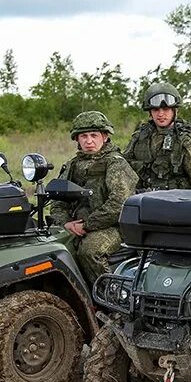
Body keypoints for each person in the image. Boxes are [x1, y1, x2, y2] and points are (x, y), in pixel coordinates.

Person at [50, 111, 138, 282]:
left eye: (94, 135)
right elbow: (57, 201)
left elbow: (120, 203)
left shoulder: (115, 163)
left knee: (90, 251)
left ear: (104, 137)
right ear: (77, 139)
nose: (89, 141)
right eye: (84, 136)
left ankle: (110, 298)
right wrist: (66, 223)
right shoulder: (72, 165)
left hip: (113, 227)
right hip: (75, 225)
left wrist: (87, 225)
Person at [122, 82, 191, 192]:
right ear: (150, 113)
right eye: (156, 110)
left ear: (175, 111)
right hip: (142, 201)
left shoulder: (187, 141)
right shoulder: (139, 138)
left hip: (176, 203)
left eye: (166, 109)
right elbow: (122, 167)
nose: (161, 114)